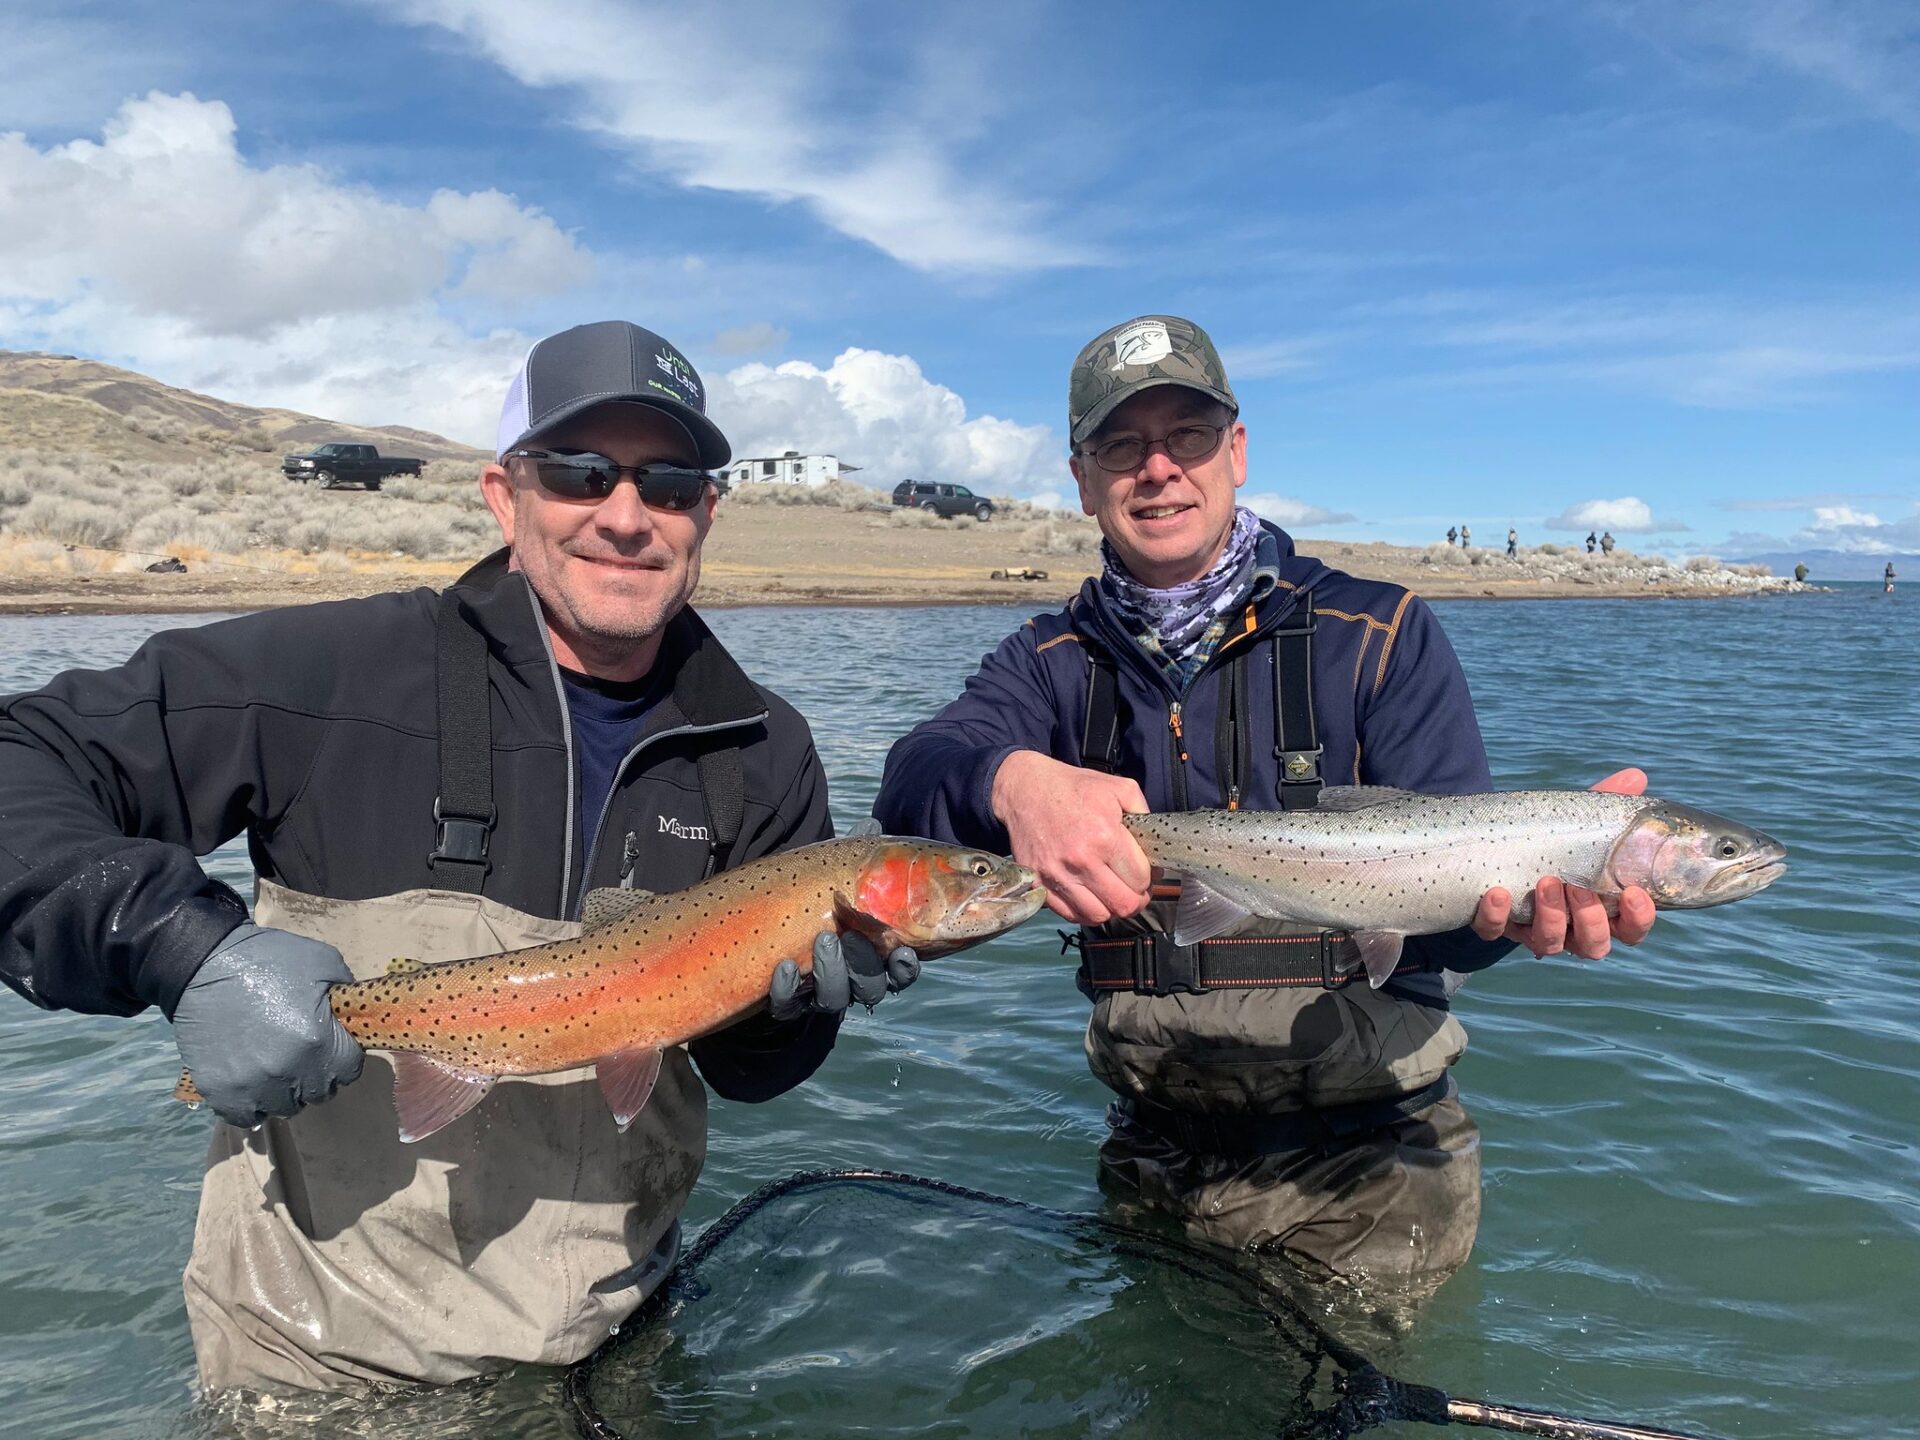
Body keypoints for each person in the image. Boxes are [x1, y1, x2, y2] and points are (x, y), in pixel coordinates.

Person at [0, 320, 916, 1394]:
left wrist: (791, 1017)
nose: (626, 517)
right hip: (322, 1370)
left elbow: (739, 1072)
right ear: (504, 493)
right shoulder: (331, 672)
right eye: (581, 473)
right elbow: (25, 756)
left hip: (623, 1350)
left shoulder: (766, 750)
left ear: (708, 511)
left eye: (668, 484)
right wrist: (176, 947)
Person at [874, 314, 1654, 1286]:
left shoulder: (1380, 634)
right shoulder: (1048, 663)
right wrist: (1013, 777)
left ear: (1236, 451)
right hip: (1149, 1147)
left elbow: (1454, 931)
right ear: (1082, 478)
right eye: (1123, 444)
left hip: (1368, 1170)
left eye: (1188, 436)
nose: (1158, 468)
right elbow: (909, 785)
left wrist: (1515, 923)